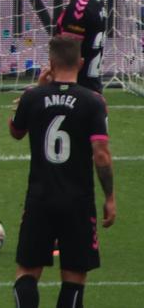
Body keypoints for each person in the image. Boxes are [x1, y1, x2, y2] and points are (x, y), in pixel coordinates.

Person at [10, 36, 116, 308]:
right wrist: (110, 197)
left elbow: (16, 131)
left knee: (27, 272)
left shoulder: (33, 97)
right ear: (81, 63)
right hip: (78, 202)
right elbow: (101, 154)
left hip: (39, 199)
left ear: (50, 63)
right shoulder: (93, 102)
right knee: (73, 278)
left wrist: (38, 89)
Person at [43, 0, 107, 93]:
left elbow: (66, 63)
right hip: (91, 93)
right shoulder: (96, 1)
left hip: (76, 98)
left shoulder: (79, 8)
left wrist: (40, 93)